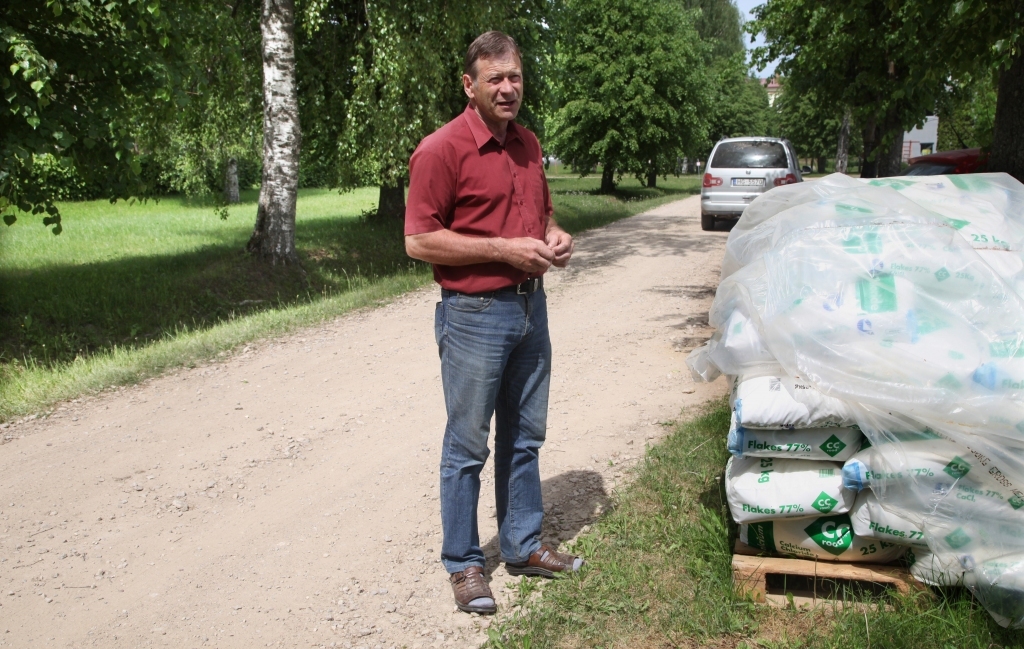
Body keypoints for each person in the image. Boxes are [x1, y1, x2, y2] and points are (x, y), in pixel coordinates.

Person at [404, 31, 583, 615]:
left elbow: (542, 216)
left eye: (515, 77)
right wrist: (504, 251)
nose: (508, 89)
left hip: (532, 309)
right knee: (467, 444)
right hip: (473, 314)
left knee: (525, 435)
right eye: (495, 78)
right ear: (470, 85)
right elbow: (418, 240)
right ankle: (463, 563)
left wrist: (555, 235)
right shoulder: (441, 150)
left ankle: (523, 545)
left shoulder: (528, 144)